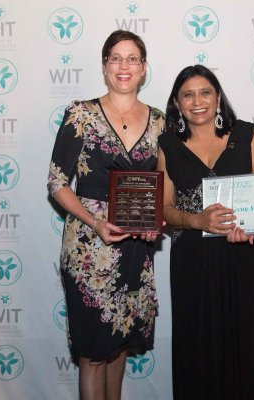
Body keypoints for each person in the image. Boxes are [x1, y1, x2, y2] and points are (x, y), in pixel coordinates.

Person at [47, 30, 165, 400]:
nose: (124, 66)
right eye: (116, 58)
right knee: (93, 354)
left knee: (119, 349)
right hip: (89, 249)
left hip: (135, 248)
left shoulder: (161, 122)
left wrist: (156, 221)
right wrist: (95, 221)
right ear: (104, 66)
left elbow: (164, 186)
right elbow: (57, 182)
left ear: (144, 68)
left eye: (132, 58)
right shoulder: (80, 114)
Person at [157, 64, 254, 400]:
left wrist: (248, 228)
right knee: (197, 348)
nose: (197, 101)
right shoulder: (168, 145)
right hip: (192, 262)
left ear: (218, 98)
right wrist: (198, 221)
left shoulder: (246, 135)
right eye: (187, 95)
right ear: (177, 104)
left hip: (240, 256)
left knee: (241, 342)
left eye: (205, 92)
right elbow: (163, 211)